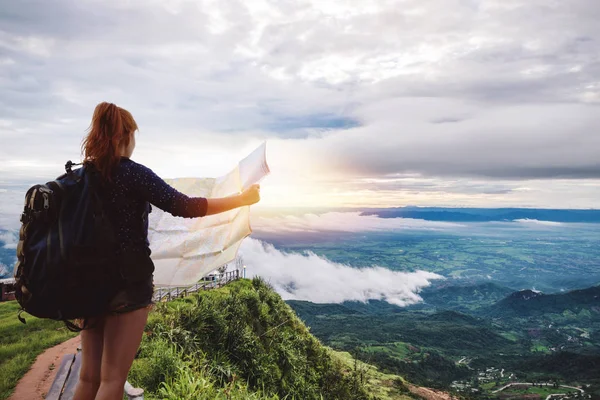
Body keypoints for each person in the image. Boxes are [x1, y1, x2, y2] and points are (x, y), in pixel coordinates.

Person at [73, 102, 260, 400]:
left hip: (87, 287)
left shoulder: (79, 177)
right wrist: (240, 199)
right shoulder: (133, 174)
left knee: (88, 377)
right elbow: (185, 206)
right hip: (127, 287)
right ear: (125, 137)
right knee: (112, 380)